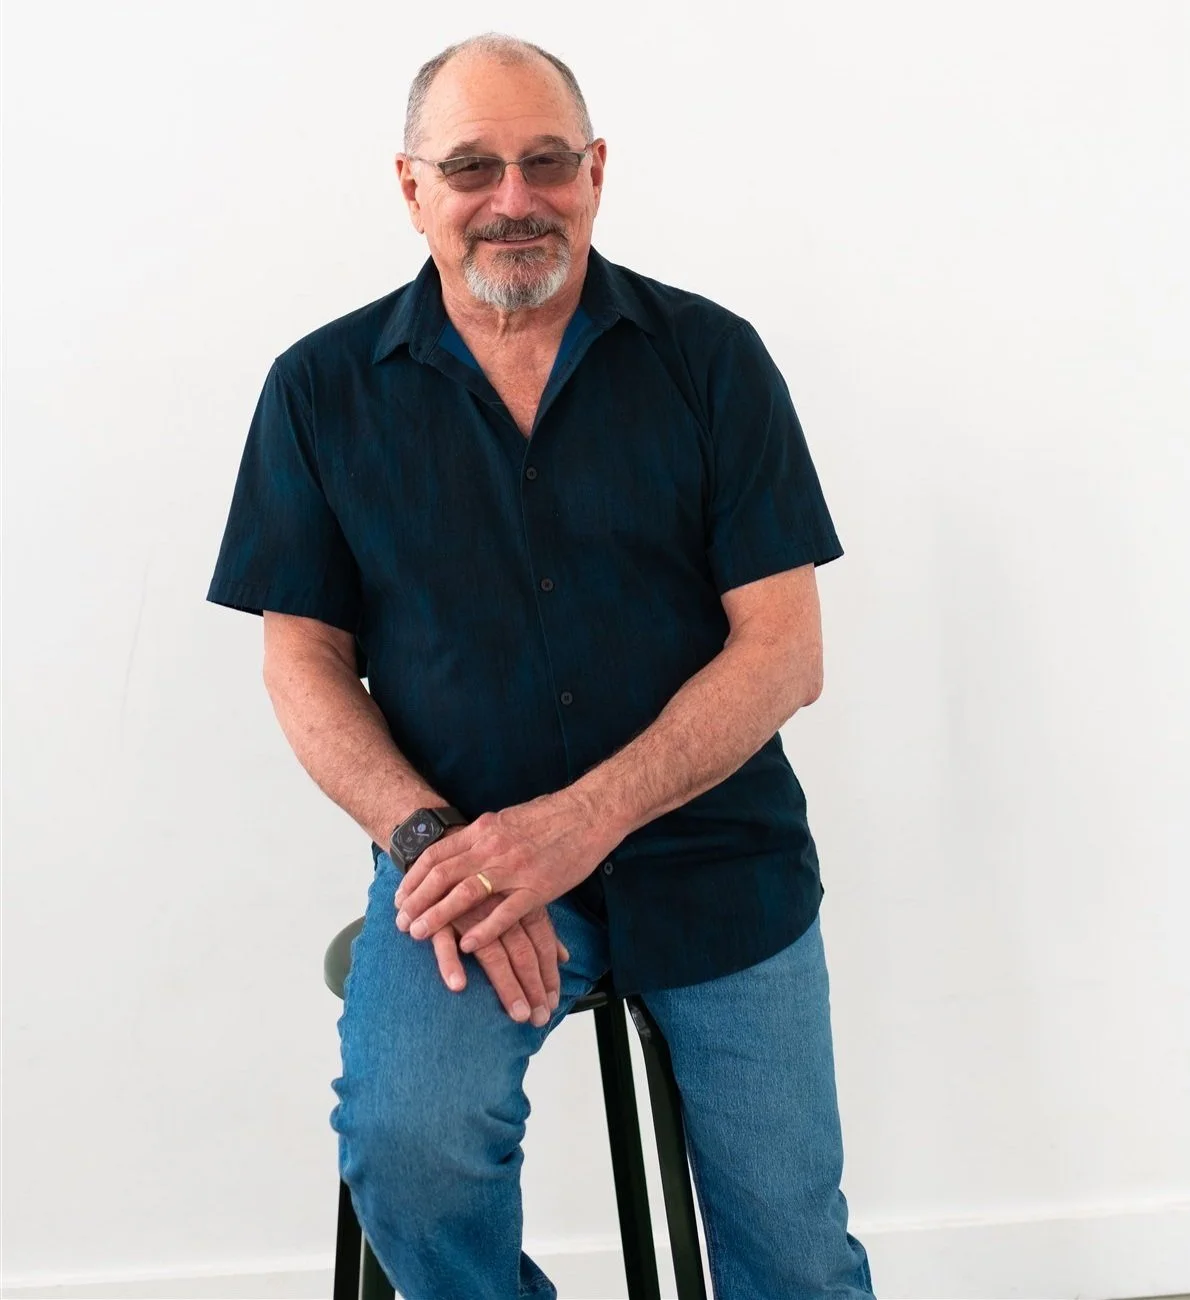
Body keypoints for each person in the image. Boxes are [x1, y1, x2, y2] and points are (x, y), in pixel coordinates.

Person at [206, 30, 875, 1300]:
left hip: (718, 858)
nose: (514, 198)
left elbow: (786, 651)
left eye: (547, 161)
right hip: (461, 864)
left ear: (596, 172)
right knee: (410, 1149)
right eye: (472, 166)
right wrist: (426, 837)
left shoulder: (713, 360)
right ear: (411, 187)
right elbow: (301, 660)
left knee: (795, 1257)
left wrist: (578, 824)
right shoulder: (319, 390)